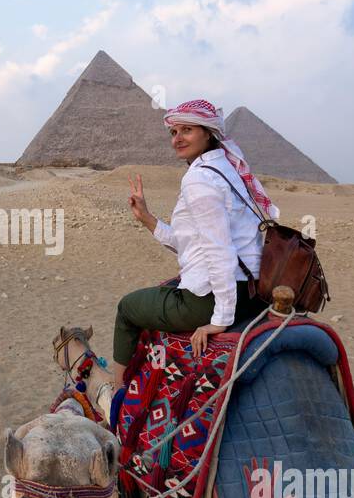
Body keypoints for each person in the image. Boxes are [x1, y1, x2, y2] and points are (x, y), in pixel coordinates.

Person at [113, 98, 281, 371]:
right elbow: (193, 244)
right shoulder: (228, 170)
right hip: (254, 290)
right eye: (173, 132)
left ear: (208, 132)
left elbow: (218, 251)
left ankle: (117, 395)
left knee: (127, 309)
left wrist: (220, 319)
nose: (177, 139)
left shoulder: (199, 178)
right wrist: (146, 218)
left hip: (216, 297)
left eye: (187, 130)